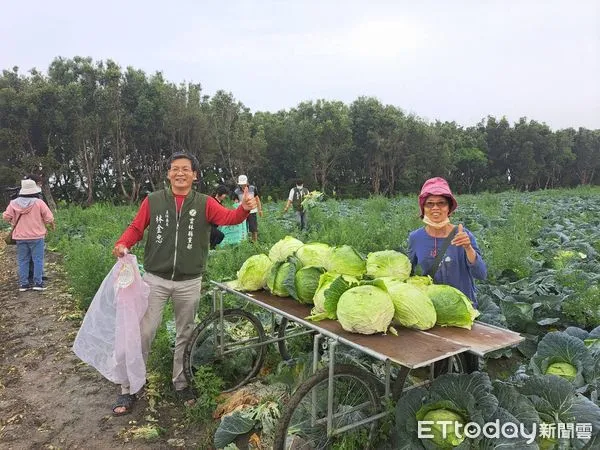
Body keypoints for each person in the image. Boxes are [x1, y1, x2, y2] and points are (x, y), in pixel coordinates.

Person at [111, 152, 256, 415]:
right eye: (175, 169)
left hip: (189, 281)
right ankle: (129, 387)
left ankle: (181, 383)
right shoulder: (153, 201)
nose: (180, 173)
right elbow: (136, 227)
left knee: (185, 333)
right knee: (143, 332)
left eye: (186, 169)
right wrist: (123, 243)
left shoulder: (205, 203)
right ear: (168, 174)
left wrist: (244, 209)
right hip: (155, 278)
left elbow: (229, 218)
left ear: (194, 175)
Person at [407, 177, 487, 306]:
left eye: (441, 203)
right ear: (423, 209)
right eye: (430, 203)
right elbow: (408, 273)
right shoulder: (416, 237)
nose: (435, 208)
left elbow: (481, 274)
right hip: (432, 308)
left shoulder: (463, 236)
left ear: (449, 208)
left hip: (462, 308)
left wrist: (468, 248)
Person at [2, 179, 55, 292]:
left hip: (20, 237)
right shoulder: (39, 202)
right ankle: (38, 283)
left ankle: (24, 284)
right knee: (38, 260)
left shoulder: (13, 203)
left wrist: (13, 221)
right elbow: (49, 218)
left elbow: (6, 216)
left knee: (23, 260)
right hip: (37, 236)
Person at [234, 175, 262, 242]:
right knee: (244, 229)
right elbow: (235, 202)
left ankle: (255, 244)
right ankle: (245, 242)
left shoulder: (252, 188)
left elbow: (257, 199)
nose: (243, 185)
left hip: (252, 211)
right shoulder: (236, 191)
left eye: (244, 184)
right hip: (242, 212)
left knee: (253, 229)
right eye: (241, 184)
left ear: (247, 182)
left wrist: (260, 209)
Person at [209, 185, 229, 249]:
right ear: (219, 193)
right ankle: (211, 248)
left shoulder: (219, 202)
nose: (225, 196)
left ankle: (211, 249)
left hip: (214, 226)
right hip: (208, 225)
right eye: (224, 194)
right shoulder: (212, 201)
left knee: (214, 239)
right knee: (220, 236)